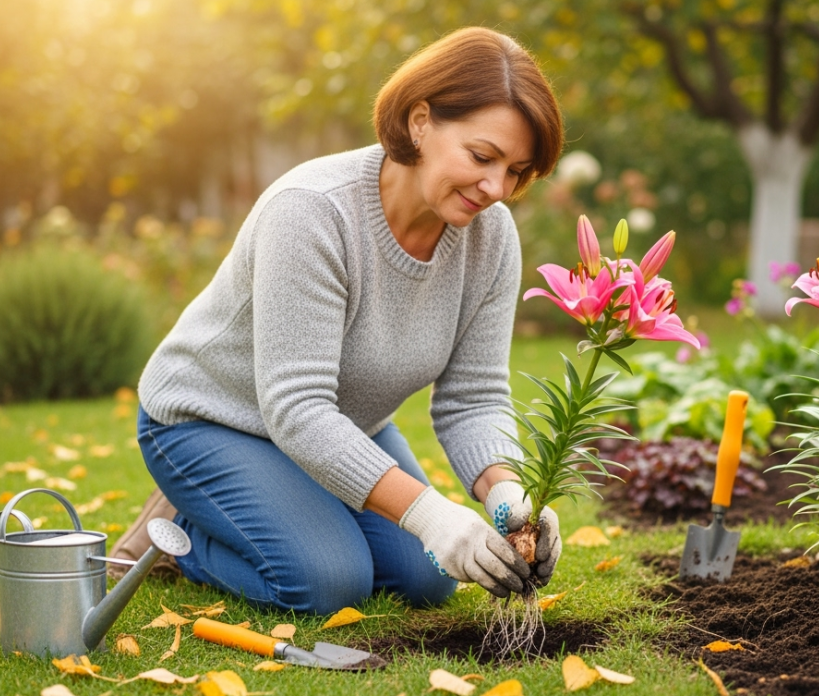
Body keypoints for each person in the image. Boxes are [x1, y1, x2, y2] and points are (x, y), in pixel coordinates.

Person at [108, 27, 565, 614]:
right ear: (420, 121)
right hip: (210, 422)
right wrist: (428, 514)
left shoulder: (491, 238)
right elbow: (297, 407)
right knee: (330, 581)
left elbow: (473, 397)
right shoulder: (313, 212)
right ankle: (176, 538)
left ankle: (264, 509)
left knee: (427, 581)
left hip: (343, 426)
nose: (495, 188)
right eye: (482, 157)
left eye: (516, 171)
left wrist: (509, 498)